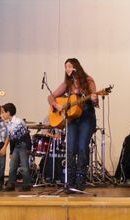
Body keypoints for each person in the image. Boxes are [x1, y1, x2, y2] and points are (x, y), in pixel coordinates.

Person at [48, 58, 98, 191]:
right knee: (70, 149)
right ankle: (70, 183)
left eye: (69, 67)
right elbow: (51, 97)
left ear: (76, 67)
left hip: (87, 117)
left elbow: (94, 99)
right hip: (73, 119)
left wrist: (94, 99)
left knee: (82, 147)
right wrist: (56, 105)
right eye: (66, 67)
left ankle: (81, 181)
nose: (67, 70)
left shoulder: (88, 80)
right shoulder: (67, 83)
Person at [1, 103, 32, 191]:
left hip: (23, 145)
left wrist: (28, 148)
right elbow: (12, 139)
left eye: (3, 112)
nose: (2, 114)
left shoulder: (18, 122)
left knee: (24, 166)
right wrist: (11, 152)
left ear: (8, 112)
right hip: (17, 146)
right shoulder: (9, 123)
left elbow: (19, 136)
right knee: (13, 165)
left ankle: (26, 185)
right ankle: (11, 184)